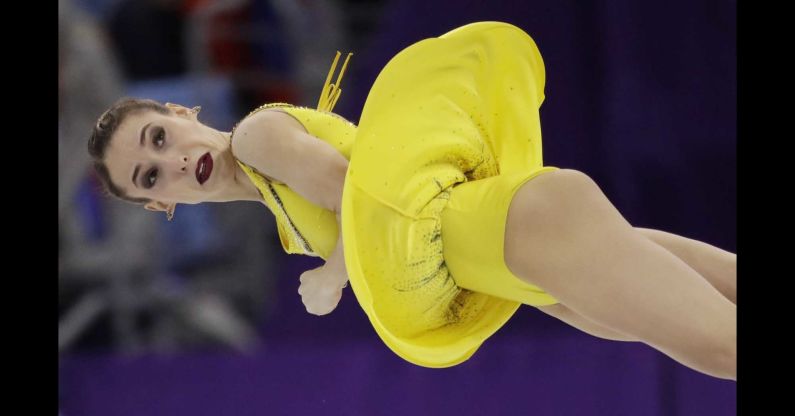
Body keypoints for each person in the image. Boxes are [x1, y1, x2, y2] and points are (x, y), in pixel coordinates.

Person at [88, 22, 736, 380]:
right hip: (518, 255)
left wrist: (332, 276)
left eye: (158, 137)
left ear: (182, 110)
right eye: (150, 176)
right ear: (160, 205)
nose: (170, 160)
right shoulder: (272, 205)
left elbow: (349, 187)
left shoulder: (257, 137)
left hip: (510, 227)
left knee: (723, 349)